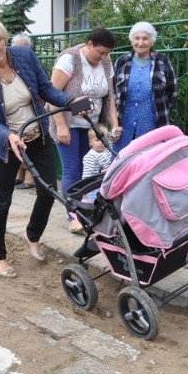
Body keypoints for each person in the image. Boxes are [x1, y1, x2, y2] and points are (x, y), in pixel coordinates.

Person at [0, 15, 86, 278]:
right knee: (1, 201)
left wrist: (71, 99)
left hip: (37, 136)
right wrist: (7, 135)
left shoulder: (23, 55)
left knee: (47, 191)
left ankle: (33, 235)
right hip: (7, 144)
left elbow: (45, 89)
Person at [49, 27, 122, 234]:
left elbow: (110, 98)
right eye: (100, 52)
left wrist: (114, 124)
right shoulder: (70, 59)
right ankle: (73, 215)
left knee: (88, 171)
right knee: (72, 170)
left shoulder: (105, 62)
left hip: (91, 126)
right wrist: (61, 126)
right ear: (89, 44)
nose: (104, 57)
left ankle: (86, 210)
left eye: (107, 53)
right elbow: (52, 94)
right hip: (69, 125)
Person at [113, 21, 178, 152]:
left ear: (152, 41)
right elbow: (113, 93)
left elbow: (173, 92)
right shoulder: (122, 62)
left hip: (153, 125)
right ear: (132, 40)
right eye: (137, 38)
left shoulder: (162, 61)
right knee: (123, 163)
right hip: (124, 125)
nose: (140, 43)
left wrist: (160, 109)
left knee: (150, 165)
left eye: (145, 38)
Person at [10, 33, 36, 191]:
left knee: (29, 143)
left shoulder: (31, 63)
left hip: (30, 110)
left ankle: (30, 178)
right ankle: (20, 175)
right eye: (16, 48)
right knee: (18, 143)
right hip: (14, 113)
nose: (18, 51)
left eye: (22, 48)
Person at [81, 124, 112, 203]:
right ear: (90, 142)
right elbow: (86, 177)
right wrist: (84, 193)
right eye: (97, 140)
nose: (101, 142)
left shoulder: (109, 149)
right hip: (95, 189)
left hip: (107, 185)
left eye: (103, 139)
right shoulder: (90, 157)